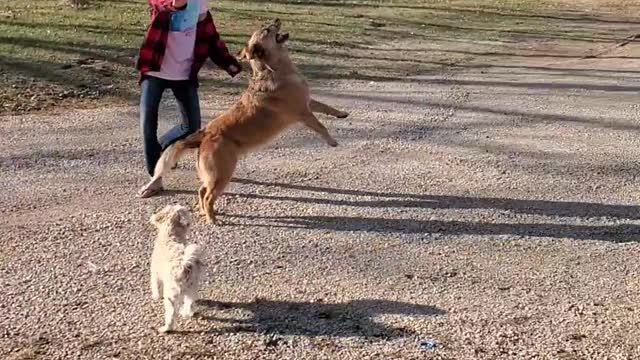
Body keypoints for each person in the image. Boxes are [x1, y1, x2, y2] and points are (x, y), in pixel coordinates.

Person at [135, 0, 241, 198]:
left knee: (192, 127)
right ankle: (155, 179)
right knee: (147, 123)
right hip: (155, 72)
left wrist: (232, 66)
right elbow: (160, 6)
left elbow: (212, 41)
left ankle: (160, 150)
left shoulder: (201, 7)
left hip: (184, 76)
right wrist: (178, 6)